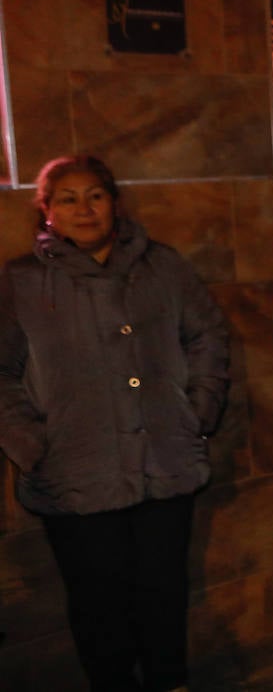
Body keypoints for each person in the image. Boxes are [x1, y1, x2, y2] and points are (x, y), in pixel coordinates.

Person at [0, 155, 230, 690]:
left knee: (164, 595)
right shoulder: (23, 282)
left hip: (165, 462)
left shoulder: (163, 266)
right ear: (47, 211)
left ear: (115, 202)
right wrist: (34, 444)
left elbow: (207, 337)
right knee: (99, 607)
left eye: (96, 195)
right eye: (67, 198)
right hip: (76, 473)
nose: (84, 208)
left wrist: (197, 410)